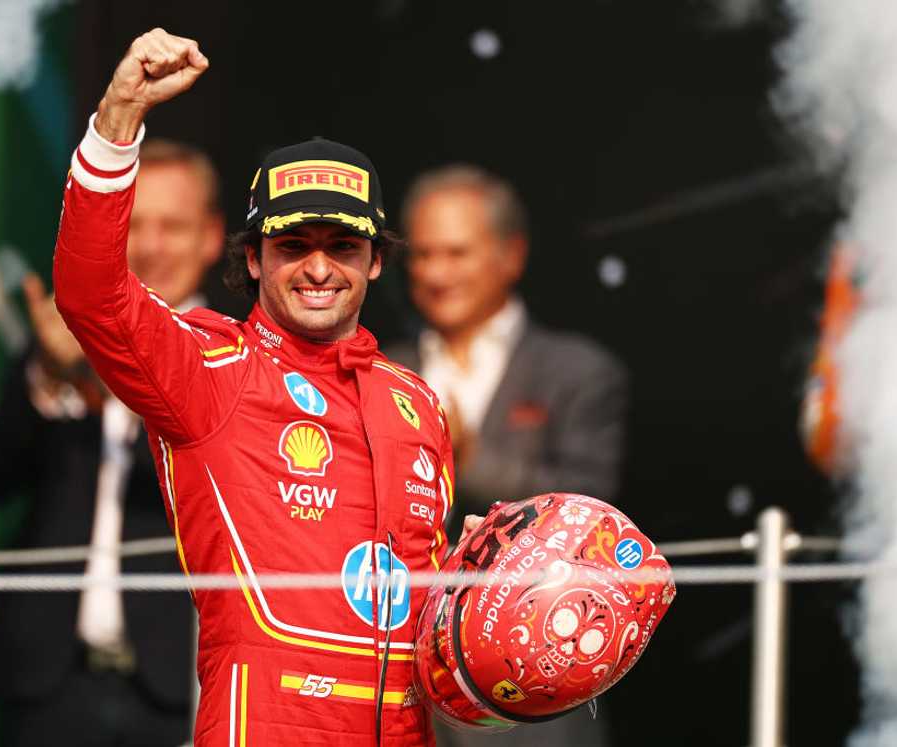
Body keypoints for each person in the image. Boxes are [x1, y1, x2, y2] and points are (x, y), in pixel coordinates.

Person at [53, 28, 459, 746]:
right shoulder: (210, 368)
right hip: (264, 722)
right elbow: (91, 294)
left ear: (374, 263)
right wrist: (118, 119)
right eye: (292, 245)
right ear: (251, 258)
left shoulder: (417, 400)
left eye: (343, 246)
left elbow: (433, 601)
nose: (319, 267)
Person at [0, 137, 224, 747]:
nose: (153, 246)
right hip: (47, 686)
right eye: (134, 224)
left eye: (174, 226)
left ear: (212, 237)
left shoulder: (231, 359)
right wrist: (52, 376)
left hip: (179, 686)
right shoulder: (59, 340)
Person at [387, 165, 628, 747]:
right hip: (395, 688)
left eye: (456, 253)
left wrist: (467, 456)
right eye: (422, 256)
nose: (436, 273)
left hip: (526, 695)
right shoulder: (377, 369)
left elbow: (591, 515)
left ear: (511, 255)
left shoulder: (578, 372)